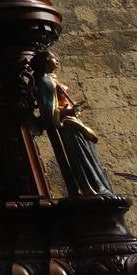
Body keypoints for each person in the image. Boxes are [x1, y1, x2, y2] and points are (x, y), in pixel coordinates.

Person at [35, 52, 113, 197]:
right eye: (53, 58)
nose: (57, 60)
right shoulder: (44, 81)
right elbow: (48, 110)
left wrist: (73, 108)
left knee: (88, 154)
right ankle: (90, 187)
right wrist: (67, 112)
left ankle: (99, 186)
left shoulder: (52, 79)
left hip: (74, 123)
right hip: (67, 125)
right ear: (45, 61)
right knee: (80, 155)